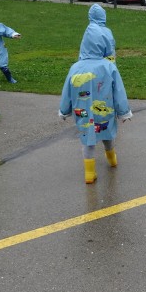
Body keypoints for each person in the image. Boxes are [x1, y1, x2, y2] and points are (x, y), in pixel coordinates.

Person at [59, 24, 132, 184]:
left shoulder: (75, 68)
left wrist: (64, 110)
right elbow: (118, 91)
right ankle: (112, 159)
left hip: (83, 112)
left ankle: (89, 173)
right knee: (107, 134)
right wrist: (124, 112)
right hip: (105, 111)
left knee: (88, 139)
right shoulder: (108, 66)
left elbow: (67, 91)